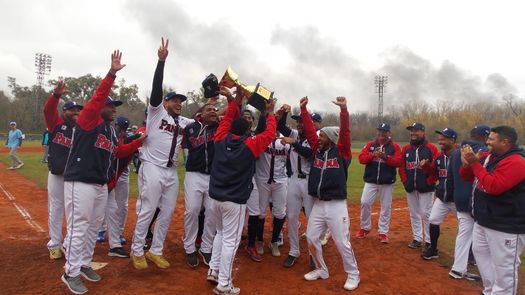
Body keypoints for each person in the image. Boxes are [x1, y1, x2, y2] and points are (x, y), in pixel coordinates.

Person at [61, 50, 145, 294]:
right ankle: (70, 272)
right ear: (101, 108)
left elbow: (118, 151)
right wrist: (111, 74)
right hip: (80, 181)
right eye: (111, 106)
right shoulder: (89, 119)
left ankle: (84, 263)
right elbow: (98, 98)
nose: (114, 109)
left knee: (94, 224)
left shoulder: (109, 131)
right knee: (80, 225)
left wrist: (139, 141)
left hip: (99, 184)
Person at [130, 38, 193, 270]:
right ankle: (137, 250)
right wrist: (161, 62)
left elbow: (202, 119)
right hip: (152, 166)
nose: (178, 103)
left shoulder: (183, 121)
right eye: (175, 100)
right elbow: (156, 91)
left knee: (167, 212)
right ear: (165, 102)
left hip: (170, 172)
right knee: (148, 209)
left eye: (181, 101)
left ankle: (156, 250)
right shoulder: (157, 114)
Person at [206, 88, 276, 295]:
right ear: (246, 131)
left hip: (215, 198)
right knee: (230, 240)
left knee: (220, 234)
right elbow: (270, 134)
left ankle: (214, 269)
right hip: (234, 202)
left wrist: (236, 100)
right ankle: (224, 284)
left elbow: (227, 119)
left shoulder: (220, 138)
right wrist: (270, 113)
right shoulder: (250, 145)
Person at [301, 96, 360, 291]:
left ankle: (353, 274)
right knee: (311, 238)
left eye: (323, 136)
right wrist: (303, 110)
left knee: (342, 243)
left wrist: (344, 111)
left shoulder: (341, 153)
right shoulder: (318, 149)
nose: (319, 138)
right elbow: (310, 132)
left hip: (336, 205)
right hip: (318, 204)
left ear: (332, 139)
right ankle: (321, 269)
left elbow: (345, 133)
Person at [460, 125, 525, 295]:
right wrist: (468, 164)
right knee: (481, 256)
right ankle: (490, 291)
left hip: (506, 225)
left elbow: (494, 186)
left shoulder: (517, 161)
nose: (487, 141)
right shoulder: (490, 157)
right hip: (484, 220)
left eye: (491, 139)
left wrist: (475, 163)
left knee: (504, 269)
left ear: (505, 142)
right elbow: (467, 176)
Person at [182, 73, 226, 267]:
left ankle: (206, 248)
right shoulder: (192, 127)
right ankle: (189, 247)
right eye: (209, 110)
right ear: (201, 114)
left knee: (211, 213)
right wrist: (208, 102)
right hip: (193, 175)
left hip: (213, 177)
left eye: (215, 110)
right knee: (192, 211)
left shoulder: (219, 128)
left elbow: (232, 114)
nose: (213, 112)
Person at [43, 81, 83, 260]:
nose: (76, 112)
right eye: (72, 110)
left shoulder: (82, 128)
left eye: (78, 110)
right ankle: (54, 244)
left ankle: (69, 243)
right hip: (57, 174)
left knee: (75, 210)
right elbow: (48, 110)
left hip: (75, 176)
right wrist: (56, 95)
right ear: (64, 112)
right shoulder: (56, 123)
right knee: (56, 208)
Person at [447, 125, 489, 281]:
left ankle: (458, 268)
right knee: (482, 237)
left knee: (464, 234)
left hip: (459, 197)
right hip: (475, 199)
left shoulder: (457, 151)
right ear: (485, 137)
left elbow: (450, 179)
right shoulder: (485, 152)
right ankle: (488, 275)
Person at [276, 104, 314, 267]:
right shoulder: (295, 134)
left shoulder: (314, 138)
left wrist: (294, 143)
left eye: (302, 121)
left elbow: (308, 153)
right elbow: (280, 127)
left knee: (312, 219)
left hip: (308, 181)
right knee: (291, 217)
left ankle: (314, 253)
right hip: (293, 181)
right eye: (297, 122)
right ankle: (294, 251)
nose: (299, 124)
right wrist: (285, 112)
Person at [356, 122, 402, 243]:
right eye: (380, 131)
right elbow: (361, 159)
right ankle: (365, 228)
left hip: (387, 182)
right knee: (365, 202)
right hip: (371, 180)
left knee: (386, 207)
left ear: (388, 133)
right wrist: (373, 155)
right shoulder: (371, 144)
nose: (382, 133)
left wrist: (386, 157)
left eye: (384, 131)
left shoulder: (394, 146)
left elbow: (398, 162)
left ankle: (383, 232)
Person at [399, 122, 439, 249]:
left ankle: (428, 240)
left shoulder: (432, 148)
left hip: (426, 187)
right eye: (411, 130)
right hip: (410, 187)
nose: (413, 133)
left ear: (423, 132)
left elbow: (436, 169)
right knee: (414, 213)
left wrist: (429, 181)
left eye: (416, 130)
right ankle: (417, 238)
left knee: (426, 213)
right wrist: (405, 181)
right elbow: (402, 167)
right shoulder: (406, 149)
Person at [421, 128, 458, 260]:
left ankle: (470, 255)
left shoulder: (460, 155)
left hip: (457, 199)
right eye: (440, 138)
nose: (440, 141)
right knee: (433, 220)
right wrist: (426, 166)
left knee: (467, 227)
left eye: (443, 139)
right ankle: (433, 249)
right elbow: (434, 172)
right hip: (442, 197)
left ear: (452, 140)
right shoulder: (439, 156)